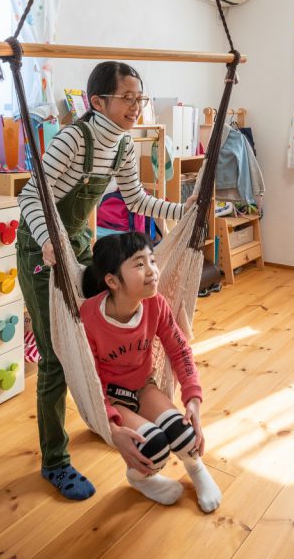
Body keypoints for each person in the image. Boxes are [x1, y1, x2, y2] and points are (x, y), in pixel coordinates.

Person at [17, 61, 197, 501]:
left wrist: (185, 211)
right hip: (42, 247)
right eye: (127, 98)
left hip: (77, 241)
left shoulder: (121, 145)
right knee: (59, 353)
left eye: (140, 98)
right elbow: (29, 196)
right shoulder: (73, 139)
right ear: (98, 102)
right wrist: (48, 241)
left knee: (93, 336)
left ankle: (105, 416)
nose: (136, 106)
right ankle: (55, 461)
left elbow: (135, 198)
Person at [80, 231, 222, 513]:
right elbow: (89, 380)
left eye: (152, 261)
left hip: (144, 386)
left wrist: (193, 400)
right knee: (153, 447)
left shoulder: (155, 304)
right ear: (112, 281)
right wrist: (111, 426)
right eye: (139, 264)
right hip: (112, 398)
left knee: (186, 435)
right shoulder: (89, 319)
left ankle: (195, 467)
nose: (153, 271)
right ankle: (140, 479)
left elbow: (180, 350)